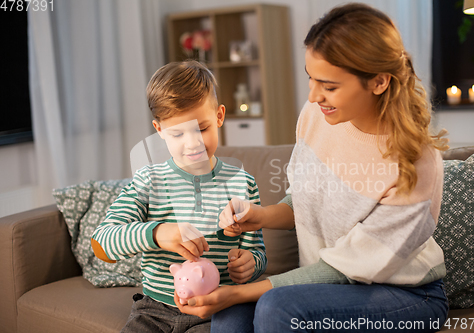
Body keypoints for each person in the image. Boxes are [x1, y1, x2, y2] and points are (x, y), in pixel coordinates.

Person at [174, 3, 450, 332]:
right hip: (327, 285)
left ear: (378, 82)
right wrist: (258, 216)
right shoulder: (317, 116)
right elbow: (305, 201)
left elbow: (346, 268)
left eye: (330, 86)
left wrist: (239, 292)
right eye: (311, 79)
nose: (314, 96)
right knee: (231, 316)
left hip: (406, 294)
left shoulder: (416, 164)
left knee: (275, 307)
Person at [91, 60, 267, 333]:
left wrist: (250, 264)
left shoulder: (242, 184)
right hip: (153, 312)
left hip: (217, 311)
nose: (193, 143)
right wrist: (158, 233)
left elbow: (257, 251)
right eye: (177, 133)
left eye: (202, 128)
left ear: (219, 116)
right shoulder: (148, 182)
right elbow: (102, 244)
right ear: (159, 129)